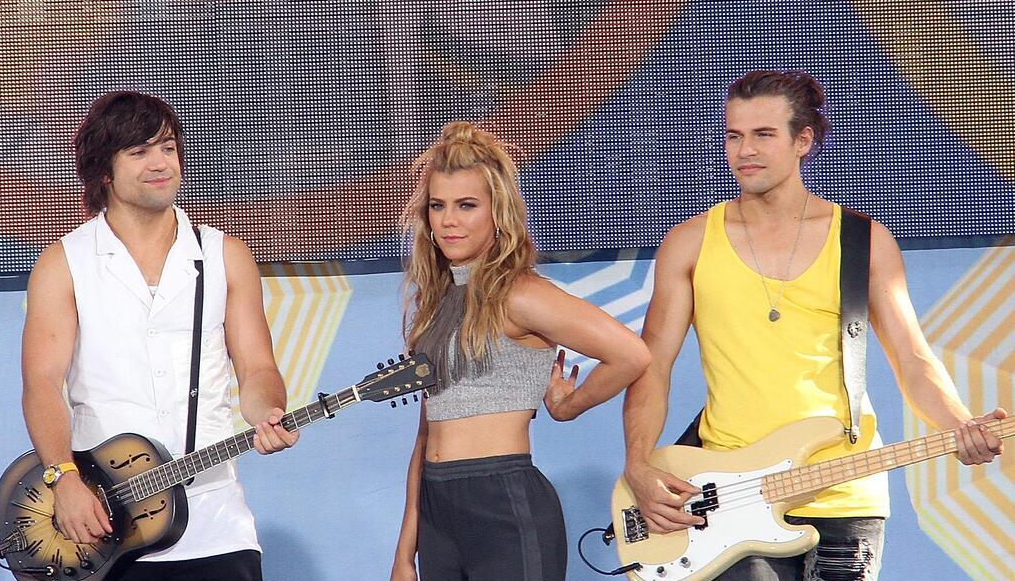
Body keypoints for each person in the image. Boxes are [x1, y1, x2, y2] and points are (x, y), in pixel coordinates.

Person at [622, 69, 1005, 580]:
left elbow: (913, 359)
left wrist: (960, 425)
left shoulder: (863, 240)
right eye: (734, 135)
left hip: (848, 493)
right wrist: (638, 463)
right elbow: (652, 366)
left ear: (803, 140)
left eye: (763, 134)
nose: (744, 151)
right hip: (734, 495)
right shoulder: (690, 242)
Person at [21, 91, 298, 580]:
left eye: (168, 148)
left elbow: (257, 368)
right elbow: (41, 383)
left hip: (216, 523)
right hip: (105, 527)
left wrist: (269, 414)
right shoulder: (64, 263)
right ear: (104, 171)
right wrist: (64, 478)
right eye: (140, 151)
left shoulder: (224, 255)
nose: (160, 163)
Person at [390, 121, 651, 581]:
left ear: (498, 212)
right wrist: (404, 553)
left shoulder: (520, 293)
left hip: (503, 504)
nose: (448, 221)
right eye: (438, 205)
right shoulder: (438, 302)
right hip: (437, 511)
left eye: (467, 205)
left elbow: (631, 354)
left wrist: (569, 405)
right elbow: (425, 435)